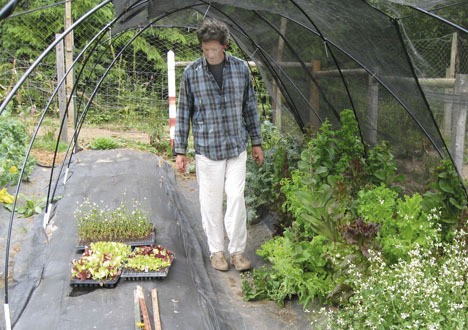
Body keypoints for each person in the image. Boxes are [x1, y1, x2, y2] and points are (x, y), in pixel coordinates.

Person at [174, 18, 264, 272]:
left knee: (236, 197)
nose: (210, 54)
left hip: (237, 146)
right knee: (211, 201)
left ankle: (237, 251)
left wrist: (256, 143)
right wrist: (180, 150)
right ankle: (216, 251)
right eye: (205, 49)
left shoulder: (241, 70)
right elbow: (183, 112)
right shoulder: (192, 73)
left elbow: (250, 108)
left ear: (225, 46)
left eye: (214, 49)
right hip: (208, 149)